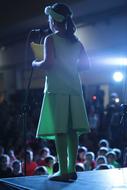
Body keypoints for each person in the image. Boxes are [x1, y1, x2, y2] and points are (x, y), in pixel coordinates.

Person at [32, 3, 90, 182]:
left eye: (49, 18)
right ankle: (71, 169)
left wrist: (36, 63)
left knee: (60, 130)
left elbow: (48, 64)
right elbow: (86, 65)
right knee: (72, 130)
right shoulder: (77, 42)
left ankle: (63, 171)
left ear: (53, 20)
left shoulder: (50, 39)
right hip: (74, 89)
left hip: (57, 89)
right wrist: (70, 67)